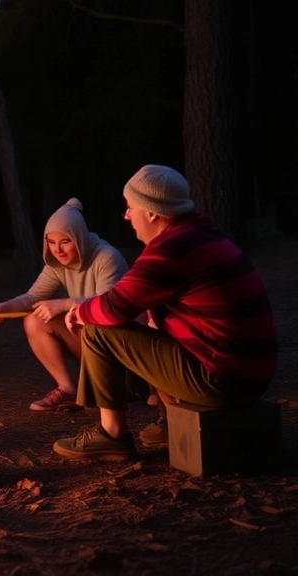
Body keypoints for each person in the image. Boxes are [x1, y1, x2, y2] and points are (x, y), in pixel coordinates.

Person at [54, 165, 277, 460]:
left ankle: (111, 436)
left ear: (152, 213)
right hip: (246, 374)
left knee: (98, 330)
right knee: (154, 326)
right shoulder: (200, 236)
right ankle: (171, 422)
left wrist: (80, 311)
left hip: (224, 379)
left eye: (130, 207)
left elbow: (113, 307)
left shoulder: (171, 251)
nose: (127, 215)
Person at [0, 198, 129, 411]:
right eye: (51, 242)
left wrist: (65, 304)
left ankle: (118, 387)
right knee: (34, 319)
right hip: (89, 339)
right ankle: (67, 387)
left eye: (65, 241)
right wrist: (2, 309)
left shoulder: (106, 258)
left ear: (79, 238)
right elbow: (32, 297)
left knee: (91, 324)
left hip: (120, 348)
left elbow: (107, 305)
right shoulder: (57, 263)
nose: (58, 250)